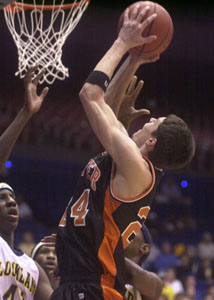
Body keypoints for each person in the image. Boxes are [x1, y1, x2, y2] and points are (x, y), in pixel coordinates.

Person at [52, 4, 195, 300]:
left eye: (156, 122)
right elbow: (106, 109)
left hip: (92, 286)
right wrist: (133, 60)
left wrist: (123, 41)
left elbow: (90, 95)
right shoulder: (134, 166)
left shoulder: (138, 169)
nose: (151, 118)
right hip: (82, 283)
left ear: (152, 142)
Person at [0, 67, 52, 300]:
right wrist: (26, 113)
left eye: (12, 198)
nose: (11, 203)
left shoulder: (33, 268)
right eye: (1, 199)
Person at [124, 224, 162, 300]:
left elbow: (132, 274)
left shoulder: (153, 282)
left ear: (145, 248)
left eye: (129, 231)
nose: (121, 234)